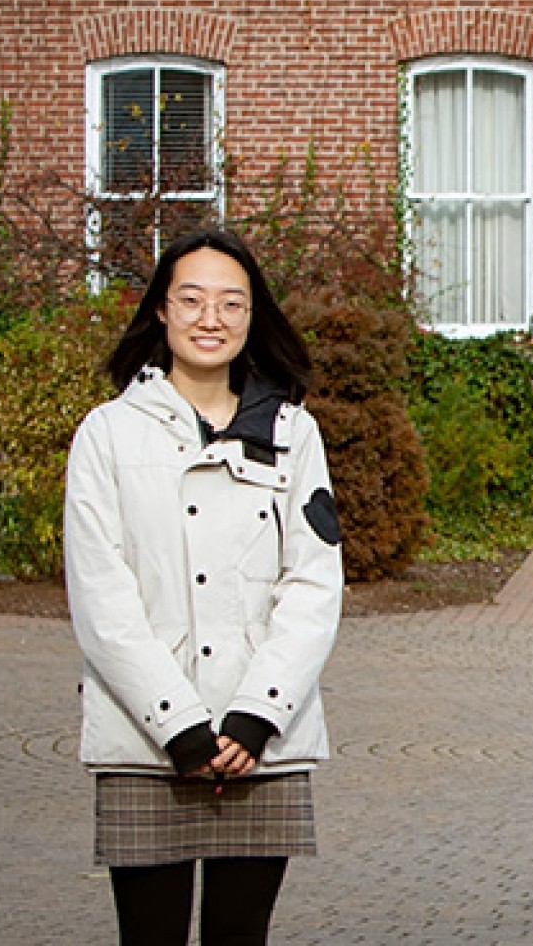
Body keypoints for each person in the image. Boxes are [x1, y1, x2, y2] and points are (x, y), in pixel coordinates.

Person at [64, 230, 344, 945]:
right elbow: (101, 597)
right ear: (161, 309)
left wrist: (256, 715)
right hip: (144, 741)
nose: (210, 318)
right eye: (191, 300)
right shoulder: (107, 434)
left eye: (230, 303)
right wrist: (178, 724)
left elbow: (313, 585)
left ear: (253, 316)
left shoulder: (294, 433)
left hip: (262, 744)